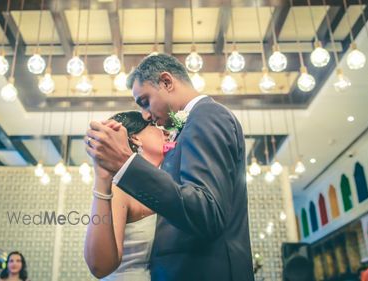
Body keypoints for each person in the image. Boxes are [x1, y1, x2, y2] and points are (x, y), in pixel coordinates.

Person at [85, 53, 254, 280]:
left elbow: (206, 211)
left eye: (145, 101)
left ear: (167, 82)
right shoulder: (188, 127)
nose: (146, 115)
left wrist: (127, 164)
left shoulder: (206, 115)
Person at [84, 111, 167, 280]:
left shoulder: (165, 185)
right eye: (154, 126)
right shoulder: (120, 188)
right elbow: (99, 267)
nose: (164, 131)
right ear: (136, 138)